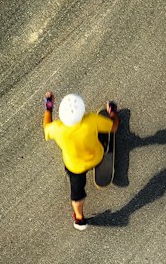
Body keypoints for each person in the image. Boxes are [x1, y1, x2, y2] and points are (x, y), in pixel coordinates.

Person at [43, 92, 118, 230]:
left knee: (76, 194)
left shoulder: (56, 128)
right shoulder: (91, 119)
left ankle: (79, 218)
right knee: (102, 132)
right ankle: (105, 146)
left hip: (74, 167)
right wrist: (113, 113)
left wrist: (49, 107)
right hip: (96, 157)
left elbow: (46, 126)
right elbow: (114, 127)